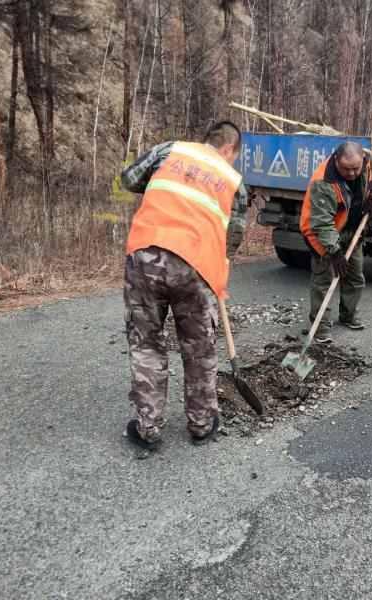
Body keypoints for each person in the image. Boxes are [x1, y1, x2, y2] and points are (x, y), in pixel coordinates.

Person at [119, 121, 248, 447]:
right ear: (230, 149)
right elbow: (233, 238)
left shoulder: (169, 150)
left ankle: (148, 428)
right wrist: (216, 273)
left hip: (146, 256)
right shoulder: (234, 181)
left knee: (146, 343)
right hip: (196, 268)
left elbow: (129, 179)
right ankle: (202, 424)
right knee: (199, 348)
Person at [299, 142, 372, 343]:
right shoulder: (323, 182)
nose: (352, 173)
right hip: (321, 233)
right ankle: (320, 327)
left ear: (363, 161)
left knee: (355, 275)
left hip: (352, 230)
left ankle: (348, 315)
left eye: (356, 168)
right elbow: (322, 225)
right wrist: (335, 253)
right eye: (346, 169)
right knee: (324, 280)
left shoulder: (369, 161)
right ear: (336, 160)